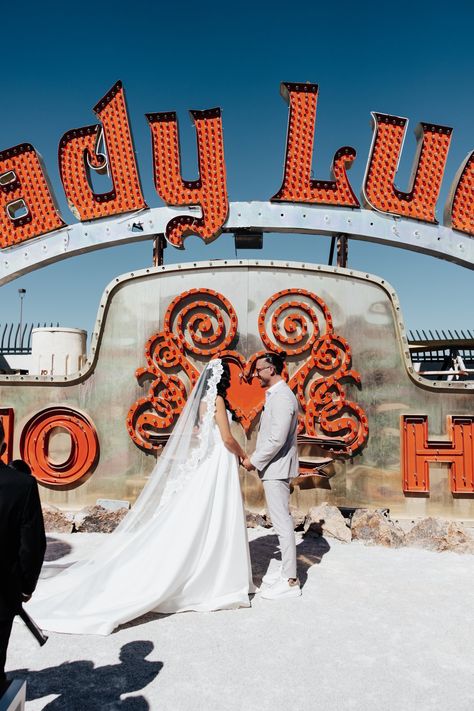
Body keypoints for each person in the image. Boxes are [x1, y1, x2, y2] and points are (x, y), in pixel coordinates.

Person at [28, 359, 255, 635]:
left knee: (205, 514)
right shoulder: (217, 400)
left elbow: (201, 432)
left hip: (212, 460)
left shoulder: (202, 403)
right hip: (220, 460)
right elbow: (227, 438)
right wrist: (244, 457)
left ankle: (210, 568)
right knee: (217, 514)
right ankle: (216, 577)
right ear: (220, 379)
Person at [242, 352, 301, 600]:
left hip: (277, 468)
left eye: (259, 370)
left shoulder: (283, 397)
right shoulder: (276, 396)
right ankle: (287, 573)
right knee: (280, 521)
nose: (255, 374)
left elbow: (277, 438)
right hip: (274, 468)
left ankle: (290, 581)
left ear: (272, 369)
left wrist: (253, 460)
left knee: (282, 522)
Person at [0, 424, 46, 694]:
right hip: (3, 593)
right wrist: (25, 586)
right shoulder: (22, 485)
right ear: (4, 448)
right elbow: (32, 544)